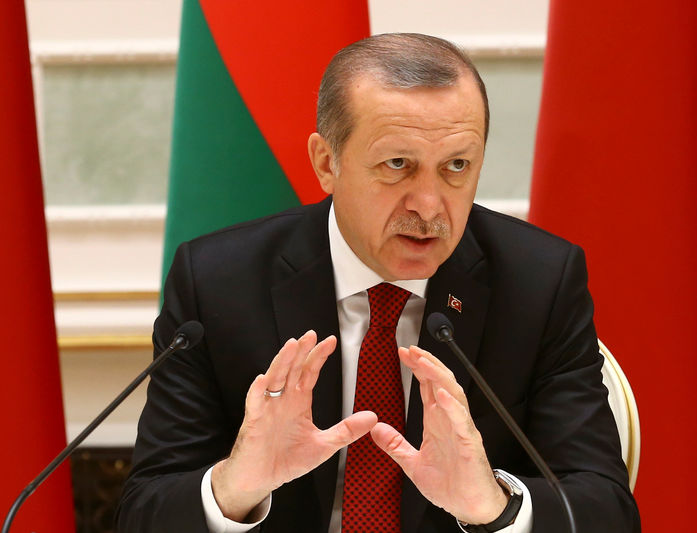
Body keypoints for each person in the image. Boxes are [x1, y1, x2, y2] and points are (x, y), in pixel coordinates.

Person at [117, 33, 640, 533]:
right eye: (398, 165)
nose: (430, 206)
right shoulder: (218, 283)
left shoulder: (538, 283)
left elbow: (606, 511)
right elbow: (144, 511)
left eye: (456, 166)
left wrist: (494, 505)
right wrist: (236, 486)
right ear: (327, 162)